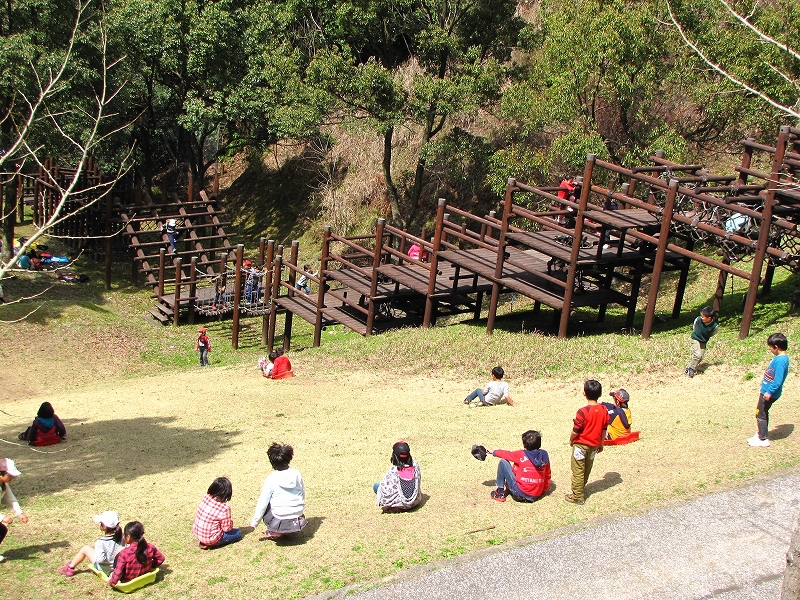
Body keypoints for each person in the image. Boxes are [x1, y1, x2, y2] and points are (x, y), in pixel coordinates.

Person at [251, 443, 307, 540]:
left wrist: (254, 523)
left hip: (279, 517)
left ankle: (275, 531)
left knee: (266, 502)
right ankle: (291, 528)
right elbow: (302, 493)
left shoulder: (271, 478)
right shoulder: (296, 474)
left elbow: (262, 502)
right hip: (297, 518)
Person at [565, 380, 607, 505]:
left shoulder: (582, 411)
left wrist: (571, 439)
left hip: (581, 445)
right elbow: (604, 428)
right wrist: (601, 443)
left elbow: (576, 430)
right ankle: (580, 488)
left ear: (584, 393)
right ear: (600, 394)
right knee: (587, 468)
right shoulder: (604, 409)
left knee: (578, 469)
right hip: (594, 446)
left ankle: (577, 496)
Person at [748, 333, 790, 448]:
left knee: (760, 413)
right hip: (767, 391)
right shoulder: (781, 358)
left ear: (776, 347)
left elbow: (778, 380)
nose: (770, 350)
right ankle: (761, 433)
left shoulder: (781, 361)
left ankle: (762, 439)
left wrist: (769, 391)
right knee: (763, 412)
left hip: (768, 393)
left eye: (770, 348)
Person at [488, 430, 551, 503]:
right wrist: (543, 490)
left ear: (524, 444)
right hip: (536, 494)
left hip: (520, 494)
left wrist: (493, 452)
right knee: (518, 467)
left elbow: (506, 454)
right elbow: (547, 474)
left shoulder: (521, 454)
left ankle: (500, 492)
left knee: (503, 462)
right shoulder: (544, 456)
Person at [58, 510, 124, 577]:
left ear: (104, 526)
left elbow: (100, 560)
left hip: (107, 570)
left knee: (85, 549)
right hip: (121, 567)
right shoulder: (123, 536)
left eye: (101, 523)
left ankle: (70, 568)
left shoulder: (101, 542)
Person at [107, 521, 165, 587]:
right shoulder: (150, 547)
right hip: (145, 574)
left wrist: (112, 582)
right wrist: (151, 566)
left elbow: (118, 573)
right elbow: (161, 558)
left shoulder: (124, 554)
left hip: (128, 580)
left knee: (111, 573)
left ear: (128, 537)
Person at [192, 477, 242, 549]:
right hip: (211, 538)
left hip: (198, 533)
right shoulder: (224, 508)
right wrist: (230, 523)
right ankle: (212, 543)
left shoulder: (206, 497)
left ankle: (204, 541)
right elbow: (227, 529)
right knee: (238, 533)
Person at [374, 441, 421, 512]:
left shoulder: (394, 470)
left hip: (401, 503)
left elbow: (385, 490)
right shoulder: (415, 466)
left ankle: (398, 506)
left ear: (394, 455)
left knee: (376, 486)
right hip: (414, 502)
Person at [0, 458, 28, 562]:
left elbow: (11, 498)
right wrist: (2, 517)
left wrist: (19, 513)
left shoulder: (4, 484)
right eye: (9, 474)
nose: (12, 477)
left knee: (1, 530)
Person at [685, 306, 719, 377]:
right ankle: (691, 369)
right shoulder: (698, 319)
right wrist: (696, 333)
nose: (701, 318)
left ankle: (688, 367)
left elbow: (713, 333)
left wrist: (705, 337)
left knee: (700, 357)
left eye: (703, 317)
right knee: (698, 355)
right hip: (695, 338)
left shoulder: (714, 326)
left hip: (703, 341)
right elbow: (694, 326)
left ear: (709, 318)